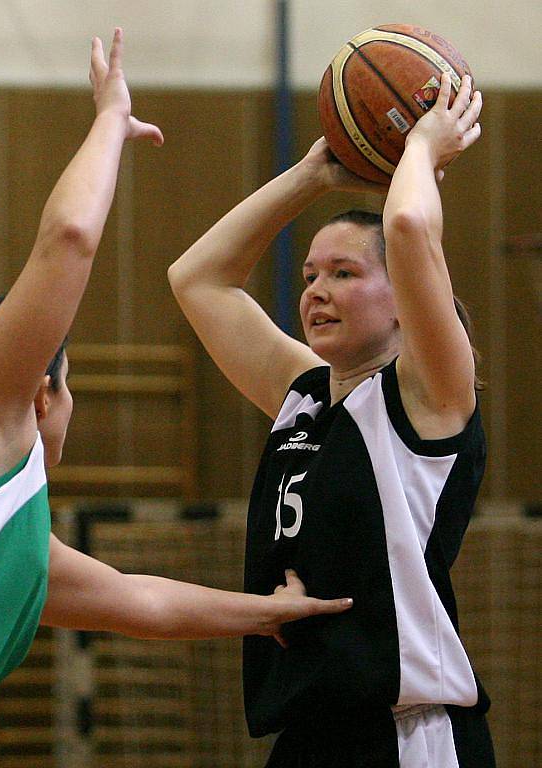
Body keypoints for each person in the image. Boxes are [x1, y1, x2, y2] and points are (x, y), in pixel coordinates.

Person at [0, 30, 352, 768]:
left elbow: (142, 604)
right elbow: (67, 238)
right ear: (41, 391)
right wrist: (109, 120)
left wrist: (270, 615)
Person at [168, 72, 495, 767]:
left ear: (404, 297)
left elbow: (407, 224)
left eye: (344, 273)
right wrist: (314, 173)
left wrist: (422, 148)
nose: (316, 290)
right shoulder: (305, 395)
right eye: (311, 275)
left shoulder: (431, 394)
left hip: (407, 733)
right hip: (309, 734)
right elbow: (197, 278)